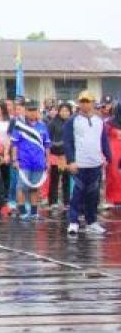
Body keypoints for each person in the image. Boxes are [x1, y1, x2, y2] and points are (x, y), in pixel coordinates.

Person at [64, 91, 110, 236]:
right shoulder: (73, 120)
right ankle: (73, 222)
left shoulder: (99, 121)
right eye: (82, 101)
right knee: (77, 193)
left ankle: (92, 222)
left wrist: (108, 156)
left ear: (93, 103)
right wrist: (71, 161)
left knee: (93, 195)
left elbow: (103, 141)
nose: (85, 104)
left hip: (95, 163)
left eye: (87, 101)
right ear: (79, 103)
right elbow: (68, 142)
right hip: (79, 163)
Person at [10, 100, 51, 221]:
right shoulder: (19, 126)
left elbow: (47, 145)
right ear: (25, 111)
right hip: (24, 162)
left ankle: (34, 213)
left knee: (35, 187)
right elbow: (15, 144)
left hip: (38, 162)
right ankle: (23, 212)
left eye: (35, 110)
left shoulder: (43, 126)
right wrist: (15, 159)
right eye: (30, 110)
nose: (33, 113)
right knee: (21, 187)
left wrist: (47, 161)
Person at [46, 102, 72, 212]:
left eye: (67, 111)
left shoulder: (72, 123)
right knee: (54, 179)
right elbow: (48, 140)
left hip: (67, 156)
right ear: (59, 111)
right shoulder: (52, 123)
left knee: (67, 179)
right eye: (63, 110)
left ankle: (67, 201)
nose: (65, 113)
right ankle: (53, 201)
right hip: (55, 155)